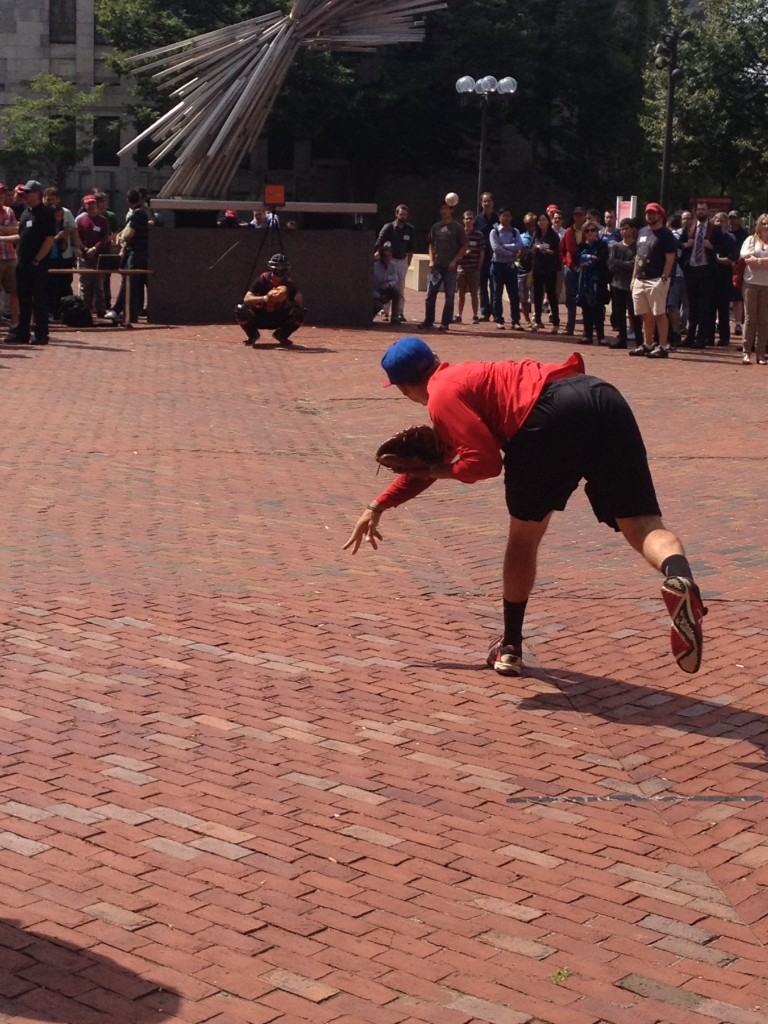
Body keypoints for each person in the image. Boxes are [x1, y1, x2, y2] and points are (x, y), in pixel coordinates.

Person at [343, 335, 706, 677]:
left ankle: (510, 646)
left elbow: (484, 463)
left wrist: (439, 471)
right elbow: (443, 457)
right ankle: (680, 578)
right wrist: (381, 503)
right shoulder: (467, 375)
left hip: (545, 418)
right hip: (601, 396)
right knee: (642, 523)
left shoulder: (440, 397)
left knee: (524, 536)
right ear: (435, 359)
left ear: (405, 389)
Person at [2, 180, 56, 344]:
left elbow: (49, 239)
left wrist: (37, 258)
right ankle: (22, 331)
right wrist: (2, 239)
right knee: (23, 298)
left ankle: (41, 333)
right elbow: (21, 236)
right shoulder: (26, 213)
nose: (26, 195)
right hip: (22, 263)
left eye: (29, 192)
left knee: (38, 299)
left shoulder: (46, 213)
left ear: (38, 193)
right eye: (25, 192)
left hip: (37, 264)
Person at [629, 202, 677, 358]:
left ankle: (662, 346)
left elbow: (670, 257)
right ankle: (647, 344)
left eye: (653, 213)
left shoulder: (666, 234)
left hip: (656, 279)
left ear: (660, 215)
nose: (650, 216)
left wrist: (664, 277)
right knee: (645, 314)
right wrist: (633, 277)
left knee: (659, 313)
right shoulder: (642, 232)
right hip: (640, 278)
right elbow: (637, 256)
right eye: (648, 213)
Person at [235, 252, 304, 347]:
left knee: (301, 311)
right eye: (277, 268)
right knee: (240, 309)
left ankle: (282, 335)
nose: (280, 272)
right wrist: (265, 298)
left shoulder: (288, 283)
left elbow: (298, 300)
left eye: (282, 268)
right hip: (260, 314)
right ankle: (253, 335)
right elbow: (247, 299)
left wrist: (287, 292)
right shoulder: (262, 279)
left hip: (278, 316)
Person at [418, 201, 468, 333]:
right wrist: (431, 260)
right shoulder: (436, 227)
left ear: (452, 210)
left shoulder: (457, 228)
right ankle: (428, 321)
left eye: (446, 208)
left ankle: (445, 323)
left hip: (450, 268)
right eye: (442, 208)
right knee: (430, 295)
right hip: (437, 267)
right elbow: (431, 244)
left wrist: (454, 261)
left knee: (449, 295)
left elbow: (464, 246)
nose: (444, 211)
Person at [105, 188, 150, 325]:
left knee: (129, 280)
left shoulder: (137, 214)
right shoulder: (142, 213)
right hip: (140, 251)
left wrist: (123, 247)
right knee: (132, 282)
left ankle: (118, 309)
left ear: (128, 200)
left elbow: (131, 233)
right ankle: (127, 311)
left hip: (135, 251)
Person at [43, 187, 80, 321]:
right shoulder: (43, 217)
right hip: (45, 257)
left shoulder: (65, 216)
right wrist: (58, 237)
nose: (58, 218)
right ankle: (49, 312)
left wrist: (76, 246)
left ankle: (62, 311)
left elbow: (73, 232)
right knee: (48, 287)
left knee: (63, 284)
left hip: (60, 257)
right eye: (48, 199)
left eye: (60, 216)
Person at [375, 204, 416, 324]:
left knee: (400, 287)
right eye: (401, 214)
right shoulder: (389, 227)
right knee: (387, 285)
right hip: (389, 260)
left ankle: (399, 312)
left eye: (405, 214)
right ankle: (384, 312)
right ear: (396, 214)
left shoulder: (410, 229)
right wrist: (381, 257)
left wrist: (408, 261)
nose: (403, 216)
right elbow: (379, 242)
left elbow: (412, 247)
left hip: (402, 260)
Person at [607, 217, 641, 349]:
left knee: (634, 314)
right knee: (619, 312)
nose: (623, 231)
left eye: (626, 228)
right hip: (617, 284)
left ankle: (639, 340)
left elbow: (634, 265)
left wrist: (618, 264)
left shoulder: (637, 247)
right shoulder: (617, 247)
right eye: (621, 228)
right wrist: (620, 265)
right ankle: (622, 339)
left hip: (631, 285)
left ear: (632, 229)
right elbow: (610, 264)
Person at [574, 219, 609, 344]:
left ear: (597, 232)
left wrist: (587, 260)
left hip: (598, 281)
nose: (590, 233)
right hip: (584, 281)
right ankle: (587, 335)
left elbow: (601, 259)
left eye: (592, 230)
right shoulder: (581, 246)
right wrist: (590, 257)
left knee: (598, 309)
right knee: (586, 308)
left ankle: (601, 337)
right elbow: (576, 257)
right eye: (587, 231)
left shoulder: (602, 245)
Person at [739, 213, 768, 365]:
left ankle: (761, 354)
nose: (766, 226)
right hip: (751, 283)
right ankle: (746, 352)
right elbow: (747, 258)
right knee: (750, 318)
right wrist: (762, 262)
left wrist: (759, 260)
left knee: (764, 320)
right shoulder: (751, 240)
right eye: (763, 223)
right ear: (758, 224)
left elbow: (754, 260)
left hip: (767, 285)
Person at [75, 194, 110, 318]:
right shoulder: (80, 220)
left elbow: (105, 237)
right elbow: (76, 236)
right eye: (88, 204)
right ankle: (85, 310)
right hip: (84, 256)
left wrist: (95, 248)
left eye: (93, 204)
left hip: (98, 256)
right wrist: (84, 249)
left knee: (99, 284)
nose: (91, 206)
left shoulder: (102, 220)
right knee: (85, 285)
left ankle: (101, 309)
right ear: (85, 206)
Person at [489, 208, 523, 330]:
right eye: (504, 216)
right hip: (498, 266)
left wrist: (506, 246)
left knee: (514, 295)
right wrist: (512, 252)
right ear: (500, 217)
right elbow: (496, 249)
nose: (507, 218)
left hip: (511, 267)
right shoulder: (494, 232)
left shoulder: (515, 232)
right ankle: (499, 319)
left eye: (509, 216)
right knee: (497, 294)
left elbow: (520, 245)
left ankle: (516, 320)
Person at [530, 211, 560, 334]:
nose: (541, 222)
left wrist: (547, 250)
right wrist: (535, 249)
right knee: (537, 296)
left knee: (551, 296)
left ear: (548, 221)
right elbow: (531, 249)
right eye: (539, 220)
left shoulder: (553, 236)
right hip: (538, 269)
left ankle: (555, 323)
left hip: (550, 269)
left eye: (544, 220)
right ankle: (537, 321)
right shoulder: (536, 235)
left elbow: (557, 252)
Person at [559, 206, 588, 335]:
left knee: (585, 298)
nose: (578, 217)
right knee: (570, 299)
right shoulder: (568, 232)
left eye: (581, 215)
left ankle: (587, 327)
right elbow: (561, 250)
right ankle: (570, 326)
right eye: (576, 215)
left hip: (585, 268)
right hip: (570, 269)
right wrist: (565, 262)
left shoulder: (588, 231)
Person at [712, 211, 738, 347]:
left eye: (721, 221)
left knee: (723, 310)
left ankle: (724, 337)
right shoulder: (709, 236)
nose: (718, 223)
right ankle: (707, 336)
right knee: (709, 309)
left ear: (727, 224)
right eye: (716, 220)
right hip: (709, 278)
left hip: (724, 278)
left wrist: (715, 259)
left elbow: (731, 259)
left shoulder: (730, 238)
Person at [455, 210, 484, 324]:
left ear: (474, 220)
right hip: (461, 269)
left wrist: (479, 267)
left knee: (474, 294)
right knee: (461, 294)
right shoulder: (459, 233)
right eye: (466, 218)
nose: (468, 221)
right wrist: (462, 254)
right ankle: (459, 314)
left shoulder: (479, 235)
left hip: (474, 269)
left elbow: (482, 252)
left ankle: (475, 315)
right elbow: (455, 250)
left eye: (471, 218)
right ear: (463, 220)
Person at [475, 192, 499, 321]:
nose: (486, 204)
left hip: (495, 257)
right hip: (482, 258)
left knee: (494, 286)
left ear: (493, 203)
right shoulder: (478, 220)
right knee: (482, 286)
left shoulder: (498, 219)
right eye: (484, 201)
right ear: (481, 203)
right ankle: (485, 312)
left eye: (488, 201)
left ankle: (496, 312)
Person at [0, 185, 20, 326]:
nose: (1, 196)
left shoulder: (9, 211)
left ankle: (15, 323)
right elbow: (12, 231)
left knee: (15, 291)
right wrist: (8, 230)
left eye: (2, 193)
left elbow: (18, 232)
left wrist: (3, 230)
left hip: (10, 257)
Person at [728, 211, 748, 336]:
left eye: (734, 218)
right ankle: (719, 320)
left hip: (738, 268)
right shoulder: (725, 233)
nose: (732, 221)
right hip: (725, 268)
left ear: (739, 219)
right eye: (730, 218)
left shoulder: (743, 234)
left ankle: (739, 323)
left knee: (737, 297)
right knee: (723, 296)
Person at [517, 212, 537, 330]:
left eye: (533, 224)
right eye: (528, 224)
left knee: (535, 297)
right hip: (522, 269)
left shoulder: (539, 237)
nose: (531, 226)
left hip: (535, 270)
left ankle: (535, 318)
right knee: (523, 297)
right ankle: (527, 319)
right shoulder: (521, 237)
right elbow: (518, 254)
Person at [372, 244, 400, 321]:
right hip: (375, 293)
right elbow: (369, 287)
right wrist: (379, 296)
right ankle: (370, 316)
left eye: (390, 256)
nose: (389, 258)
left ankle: (395, 316)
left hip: (385, 290)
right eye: (386, 256)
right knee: (378, 305)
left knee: (396, 291)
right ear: (381, 257)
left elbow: (395, 279)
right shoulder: (374, 267)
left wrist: (389, 284)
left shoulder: (392, 265)